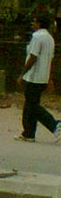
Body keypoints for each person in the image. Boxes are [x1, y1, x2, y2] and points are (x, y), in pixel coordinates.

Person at [16, 13, 61, 143]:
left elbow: (33, 57)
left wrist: (22, 73)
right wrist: (50, 78)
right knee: (29, 104)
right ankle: (28, 133)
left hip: (34, 77)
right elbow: (51, 60)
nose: (32, 24)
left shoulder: (37, 37)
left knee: (32, 106)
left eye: (34, 21)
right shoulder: (50, 38)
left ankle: (55, 125)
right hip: (43, 77)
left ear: (39, 24)